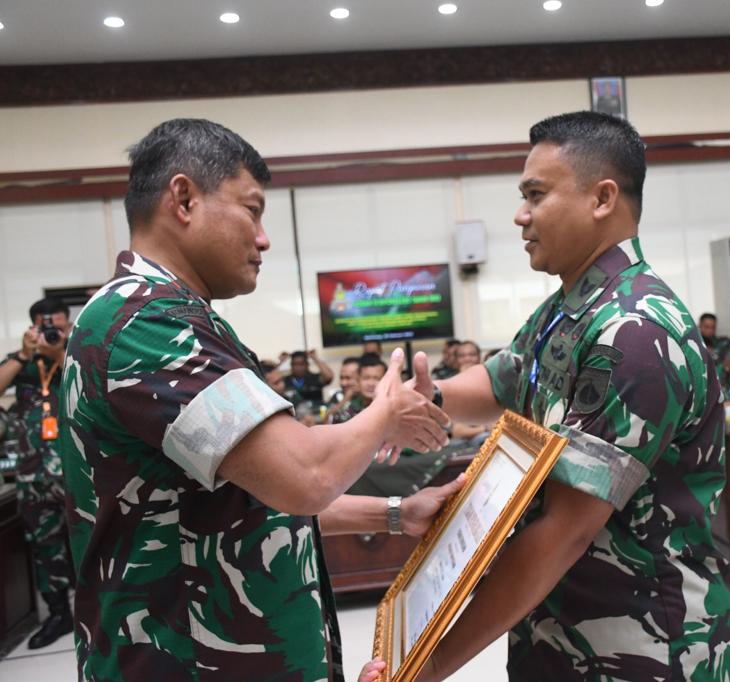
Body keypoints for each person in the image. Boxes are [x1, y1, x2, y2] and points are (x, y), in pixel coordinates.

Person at [57, 119, 452, 682]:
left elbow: (252, 494)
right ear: (184, 199)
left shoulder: (170, 317)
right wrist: (384, 413)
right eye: (252, 211)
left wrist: (395, 514)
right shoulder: (146, 323)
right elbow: (304, 476)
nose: (263, 238)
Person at [411, 111, 730, 681]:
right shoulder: (570, 307)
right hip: (561, 629)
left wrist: (427, 664)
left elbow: (565, 530)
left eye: (535, 195)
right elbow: (505, 379)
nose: (520, 216)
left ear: (602, 198)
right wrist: (429, 396)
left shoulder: (635, 330)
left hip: (645, 644)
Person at [0, 298, 74, 649]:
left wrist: (61, 353)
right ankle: (59, 614)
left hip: (77, 470)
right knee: (45, 545)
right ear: (32, 328)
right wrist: (23, 355)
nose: (51, 333)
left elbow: (93, 387)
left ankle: (103, 610)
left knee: (94, 540)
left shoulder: (77, 357)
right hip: (33, 474)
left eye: (57, 327)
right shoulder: (23, 363)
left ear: (68, 326)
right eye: (44, 327)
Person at [331, 353, 387, 424]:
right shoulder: (350, 409)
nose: (371, 383)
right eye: (366, 378)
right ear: (358, 380)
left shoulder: (393, 410)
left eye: (377, 378)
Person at [325, 356, 361, 420]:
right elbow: (326, 420)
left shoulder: (367, 398)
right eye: (341, 378)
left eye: (348, 378)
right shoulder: (337, 396)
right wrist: (345, 400)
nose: (343, 383)